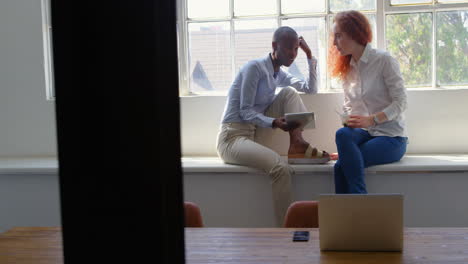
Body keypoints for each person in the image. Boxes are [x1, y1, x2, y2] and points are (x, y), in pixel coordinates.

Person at [216, 26, 330, 226]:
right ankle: (286, 232)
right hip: (233, 138)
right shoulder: (255, 68)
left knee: (289, 92)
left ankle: (298, 144)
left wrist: (309, 56)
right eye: (289, 49)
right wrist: (274, 122)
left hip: (254, 134)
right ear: (274, 46)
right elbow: (245, 111)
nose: (293, 54)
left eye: (296, 49)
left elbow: (310, 89)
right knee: (280, 168)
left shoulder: (279, 74)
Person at [329, 10, 408, 194]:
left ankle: (356, 205)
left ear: (354, 33)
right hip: (364, 135)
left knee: (341, 166)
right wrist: (347, 120)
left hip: (391, 138)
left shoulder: (384, 61)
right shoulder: (348, 70)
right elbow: (348, 106)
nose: (334, 43)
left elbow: (401, 102)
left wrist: (372, 120)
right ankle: (353, 212)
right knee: (342, 134)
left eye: (338, 36)